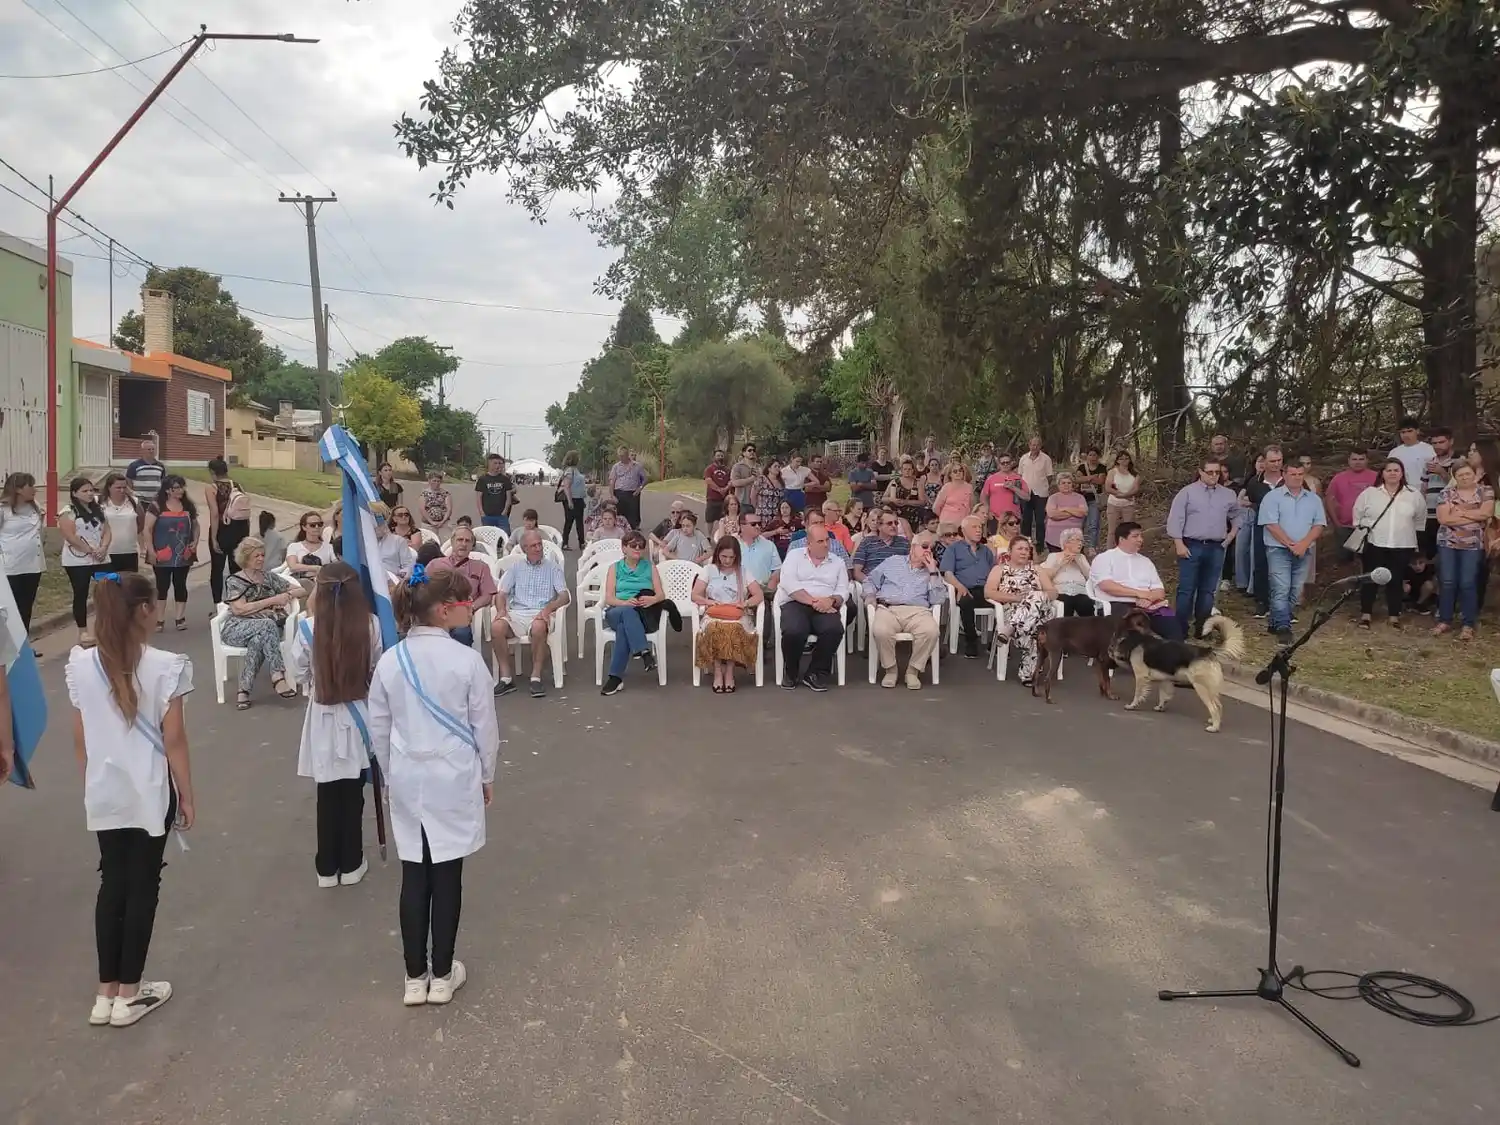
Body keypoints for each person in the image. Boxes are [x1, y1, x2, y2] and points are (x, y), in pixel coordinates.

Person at [67, 571, 194, 1028]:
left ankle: (106, 993)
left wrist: (91, 785)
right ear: (143, 610)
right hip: (150, 788)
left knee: (113, 883)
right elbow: (173, 740)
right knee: (143, 886)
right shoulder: (166, 665)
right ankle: (131, 993)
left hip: (104, 789)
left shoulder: (81, 664)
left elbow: (81, 739)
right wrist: (187, 795)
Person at [370, 566, 498, 1007]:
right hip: (453, 776)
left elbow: (379, 727)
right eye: (464, 602)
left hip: (408, 775)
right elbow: (485, 727)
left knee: (414, 872)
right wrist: (487, 775)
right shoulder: (467, 660)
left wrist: (390, 776)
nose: (469, 608)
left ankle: (413, 977)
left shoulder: (390, 660)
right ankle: (442, 974)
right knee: (447, 874)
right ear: (444, 610)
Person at [289, 561, 383, 888]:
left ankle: (327, 867)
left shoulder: (307, 628)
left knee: (327, 792)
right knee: (352, 790)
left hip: (323, 714)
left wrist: (319, 680)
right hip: (358, 713)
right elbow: (377, 667)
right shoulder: (371, 625)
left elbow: (298, 672)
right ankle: (352, 862)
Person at [221, 538, 303, 709]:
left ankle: (243, 691)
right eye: (256, 556)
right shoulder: (235, 581)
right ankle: (277, 675)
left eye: (262, 555)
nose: (260, 559)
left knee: (259, 639)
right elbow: (239, 609)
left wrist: (286, 596)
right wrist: (272, 600)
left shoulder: (268, 577)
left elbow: (301, 589)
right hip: (237, 628)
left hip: (264, 629)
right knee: (267, 625)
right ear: (245, 557)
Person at [493, 529, 570, 697]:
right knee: (497, 627)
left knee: (538, 627)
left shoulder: (553, 567)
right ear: (524, 549)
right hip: (517, 612)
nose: (538, 548)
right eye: (533, 546)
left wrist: (549, 608)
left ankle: (535, 677)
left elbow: (564, 596)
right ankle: (506, 678)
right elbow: (501, 594)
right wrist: (501, 610)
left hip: (541, 612)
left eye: (539, 544)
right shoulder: (516, 567)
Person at [1166, 458, 1238, 637]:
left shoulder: (1228, 494)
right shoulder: (1187, 493)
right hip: (1192, 545)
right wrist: (1178, 543)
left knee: (1208, 590)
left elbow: (1237, 515)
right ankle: (1180, 629)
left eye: (1217, 472)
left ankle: (1202, 628)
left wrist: (1231, 535)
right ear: (1200, 472)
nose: (1214, 476)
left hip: (1216, 547)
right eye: (1210, 472)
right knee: (1186, 589)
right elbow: (1176, 518)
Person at [1350, 458, 1425, 629]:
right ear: (1382, 473)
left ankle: (1394, 616)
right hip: (1375, 543)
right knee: (1370, 579)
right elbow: (1357, 516)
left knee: (1396, 580)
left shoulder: (1413, 494)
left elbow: (1420, 520)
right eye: (1389, 470)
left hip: (1402, 545)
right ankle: (1366, 614)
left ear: (1402, 473)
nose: (1392, 473)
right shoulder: (1370, 493)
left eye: (1396, 470)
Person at [865, 533, 947, 688]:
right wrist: (870, 595)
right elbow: (870, 580)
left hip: (918, 611)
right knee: (881, 630)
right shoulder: (893, 561)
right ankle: (891, 670)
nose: (928, 551)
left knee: (931, 631)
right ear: (913, 547)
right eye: (925, 546)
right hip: (889, 608)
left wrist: (932, 572)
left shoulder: (932, 571)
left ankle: (913, 671)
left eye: (932, 548)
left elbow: (937, 600)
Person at [1259, 461, 1325, 643]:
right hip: (1278, 549)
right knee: (1281, 588)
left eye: (1300, 474)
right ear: (1284, 475)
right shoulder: (1272, 497)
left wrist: (1303, 544)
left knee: (1295, 589)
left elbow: (1319, 525)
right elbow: (1271, 525)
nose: (1297, 477)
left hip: (1304, 550)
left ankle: (1276, 621)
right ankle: (1283, 626)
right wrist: (1291, 544)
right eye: (1293, 474)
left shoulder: (1313, 499)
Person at [775, 526, 848, 691]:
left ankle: (815, 672)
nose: (826, 545)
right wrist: (814, 602)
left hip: (826, 604)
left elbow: (843, 589)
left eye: (827, 540)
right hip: (796, 602)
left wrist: (831, 600)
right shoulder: (794, 556)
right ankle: (791, 671)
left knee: (834, 630)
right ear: (809, 543)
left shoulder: (838, 562)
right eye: (820, 541)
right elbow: (789, 584)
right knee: (794, 630)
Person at [692, 536, 764, 692]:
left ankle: (730, 672)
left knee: (733, 629)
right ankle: (718, 671)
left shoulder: (743, 571)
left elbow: (759, 595)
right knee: (715, 628)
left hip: (736, 615)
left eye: (731, 557)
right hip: (714, 613)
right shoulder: (708, 570)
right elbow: (695, 595)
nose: (727, 561)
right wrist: (708, 601)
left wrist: (745, 603)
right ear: (717, 554)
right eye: (724, 556)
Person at [600, 531, 668, 696]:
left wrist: (653, 599)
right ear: (624, 548)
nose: (638, 548)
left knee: (624, 627)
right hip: (616, 610)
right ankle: (644, 651)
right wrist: (624, 603)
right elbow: (609, 598)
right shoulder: (615, 568)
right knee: (627, 612)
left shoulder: (650, 567)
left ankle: (615, 678)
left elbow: (661, 595)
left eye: (641, 546)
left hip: (641, 614)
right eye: (633, 545)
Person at [983, 536, 1057, 685]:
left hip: (1041, 612)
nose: (1024, 552)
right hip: (1013, 611)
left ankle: (1010, 628)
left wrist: (1034, 598)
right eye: (1020, 549)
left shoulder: (1037, 569)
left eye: (1027, 549)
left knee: (1036, 596)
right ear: (1010, 551)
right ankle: (1028, 673)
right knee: (1035, 627)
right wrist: (1017, 598)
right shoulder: (999, 569)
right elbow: (988, 592)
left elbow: (1053, 592)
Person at [1433, 461, 1493, 640]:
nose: (1465, 477)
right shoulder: (1446, 493)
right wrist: (1474, 515)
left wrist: (1460, 512)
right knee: (1448, 581)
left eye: (1468, 474)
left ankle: (1468, 624)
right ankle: (1445, 620)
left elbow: (1486, 513)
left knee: (1468, 582)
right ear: (1454, 477)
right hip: (1447, 542)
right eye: (1460, 475)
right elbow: (1444, 519)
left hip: (1473, 544)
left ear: (1474, 474)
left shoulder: (1486, 491)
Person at [1092, 522, 1182, 639]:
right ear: (1122, 539)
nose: (1140, 540)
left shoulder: (1146, 562)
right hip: (1116, 604)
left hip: (1148, 605)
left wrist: (1149, 599)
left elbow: (1159, 591)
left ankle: (1175, 650)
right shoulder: (1104, 558)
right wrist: (1138, 594)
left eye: (1140, 536)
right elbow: (1106, 586)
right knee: (1136, 625)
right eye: (1135, 536)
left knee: (1172, 626)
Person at [425, 525, 497, 647]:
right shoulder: (435, 564)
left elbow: (487, 595)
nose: (463, 544)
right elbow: (422, 588)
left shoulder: (481, 567)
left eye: (467, 541)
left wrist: (471, 607)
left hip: (461, 614)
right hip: (437, 613)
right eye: (460, 540)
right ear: (452, 542)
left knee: (461, 633)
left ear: (472, 545)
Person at [143, 476, 197, 632]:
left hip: (183, 552)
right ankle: (159, 619)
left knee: (180, 584)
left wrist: (195, 541)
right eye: (176, 488)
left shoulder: (187, 506)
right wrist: (151, 550)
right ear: (167, 490)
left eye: (181, 487)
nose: (180, 491)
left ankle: (180, 617)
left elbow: (195, 525)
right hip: (161, 552)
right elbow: (147, 529)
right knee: (162, 585)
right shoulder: (156, 506)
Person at [60, 477, 110, 642]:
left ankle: (104, 628)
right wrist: (89, 550)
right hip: (78, 560)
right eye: (85, 491)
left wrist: (103, 548)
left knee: (107, 590)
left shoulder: (98, 509)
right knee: (81, 593)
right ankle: (83, 632)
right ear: (75, 493)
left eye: (91, 490)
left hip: (100, 559)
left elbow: (107, 531)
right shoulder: (68, 511)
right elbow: (70, 536)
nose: (89, 493)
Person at [941, 514, 997, 658]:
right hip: (963, 588)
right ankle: (971, 641)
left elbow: (994, 572)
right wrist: (959, 586)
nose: (979, 530)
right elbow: (947, 573)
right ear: (964, 530)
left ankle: (996, 643)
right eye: (974, 527)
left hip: (985, 589)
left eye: (980, 527)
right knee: (966, 601)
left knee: (1003, 602)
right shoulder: (953, 549)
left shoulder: (986, 551)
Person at [0, 471, 44, 631]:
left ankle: (24, 642)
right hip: (10, 566)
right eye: (30, 486)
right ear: (18, 489)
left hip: (33, 565)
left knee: (25, 608)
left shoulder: (35, 506)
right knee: (10, 609)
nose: (34, 489)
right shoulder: (3, 510)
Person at [205, 458, 252, 608]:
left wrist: (213, 538)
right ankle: (236, 602)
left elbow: (214, 514)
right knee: (236, 569)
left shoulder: (212, 488)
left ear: (212, 472)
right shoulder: (237, 486)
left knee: (217, 569)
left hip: (222, 529)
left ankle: (218, 605)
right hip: (240, 529)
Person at [1387, 417, 1438, 550]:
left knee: (1424, 528)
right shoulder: (1395, 453)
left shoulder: (1429, 450)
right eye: (1403, 432)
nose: (1406, 435)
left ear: (1417, 431)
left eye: (1410, 431)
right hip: (1401, 496)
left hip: (1425, 495)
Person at [1324, 450, 1377, 565]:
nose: (1357, 462)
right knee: (1344, 562)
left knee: (1370, 561)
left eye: (1361, 459)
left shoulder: (1377, 477)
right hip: (1345, 527)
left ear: (1367, 460)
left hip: (1370, 527)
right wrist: (1336, 523)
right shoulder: (1338, 478)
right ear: (1348, 460)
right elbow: (1329, 500)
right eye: (1354, 459)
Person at [1039, 528, 1094, 617]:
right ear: (1066, 542)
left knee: (1086, 604)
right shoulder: (1053, 556)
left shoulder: (1081, 557)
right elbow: (1045, 576)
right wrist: (1060, 564)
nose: (1080, 543)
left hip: (1080, 592)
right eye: (1077, 540)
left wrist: (1079, 562)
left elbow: (1090, 577)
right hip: (1061, 591)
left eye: (1081, 541)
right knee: (1065, 605)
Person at [100, 473, 146, 572]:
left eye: (124, 487)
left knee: (129, 581)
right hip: (106, 552)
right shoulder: (99, 502)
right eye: (118, 488)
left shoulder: (134, 502)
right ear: (109, 487)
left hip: (129, 551)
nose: (122, 490)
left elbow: (141, 524)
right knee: (107, 581)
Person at [852, 510, 910, 583]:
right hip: (871, 584)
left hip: (897, 585)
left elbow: (911, 569)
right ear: (879, 526)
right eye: (889, 523)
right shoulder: (867, 542)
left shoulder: (904, 543)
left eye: (896, 523)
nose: (894, 526)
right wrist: (871, 584)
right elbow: (857, 572)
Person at [979, 452, 1029, 534]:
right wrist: (988, 512)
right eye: (1003, 463)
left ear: (1011, 463)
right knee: (996, 541)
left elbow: (1027, 497)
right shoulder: (991, 479)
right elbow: (983, 497)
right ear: (999, 464)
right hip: (995, 518)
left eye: (1007, 462)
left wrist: (1013, 488)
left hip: (1013, 519)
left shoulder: (1018, 478)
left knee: (1013, 541)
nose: (1005, 465)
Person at [1018, 436, 1054, 546]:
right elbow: (1020, 475)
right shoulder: (1024, 458)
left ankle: (1040, 545)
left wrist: (1041, 485)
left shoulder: (1046, 459)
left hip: (1041, 494)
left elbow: (1049, 476)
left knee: (1040, 521)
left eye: (1037, 445)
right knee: (1026, 520)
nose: (1035, 447)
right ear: (1029, 445)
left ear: (1040, 446)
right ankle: (1026, 543)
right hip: (1026, 493)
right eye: (1033, 445)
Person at [737, 509, 782, 596]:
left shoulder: (769, 545)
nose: (758, 526)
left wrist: (770, 588)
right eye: (753, 524)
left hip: (763, 590)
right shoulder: (732, 544)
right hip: (737, 591)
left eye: (759, 524)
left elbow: (777, 570)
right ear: (742, 526)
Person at [370, 503, 418, 581]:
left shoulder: (398, 541)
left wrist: (401, 575)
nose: (376, 525)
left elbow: (408, 566)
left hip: (393, 580)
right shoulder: (362, 543)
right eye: (373, 519)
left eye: (379, 519)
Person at [1044, 472, 1088, 552]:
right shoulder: (1053, 498)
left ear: (1072, 484)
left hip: (1075, 538)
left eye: (1069, 483)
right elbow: (1052, 514)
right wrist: (1073, 512)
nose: (1066, 485)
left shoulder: (1080, 498)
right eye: (1063, 483)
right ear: (1058, 485)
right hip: (1054, 537)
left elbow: (1082, 513)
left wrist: (1064, 508)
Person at [1104, 450, 1140, 548]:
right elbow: (1108, 487)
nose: (1124, 461)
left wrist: (1125, 496)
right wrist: (1118, 494)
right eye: (1121, 459)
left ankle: (1128, 549)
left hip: (1128, 505)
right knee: (1112, 530)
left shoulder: (1134, 474)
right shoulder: (1112, 472)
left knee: (1128, 529)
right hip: (1113, 504)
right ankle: (1110, 551)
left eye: (1126, 458)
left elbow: (1135, 489)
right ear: (1117, 460)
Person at [1073, 447, 1106, 551]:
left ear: (1098, 456)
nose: (1092, 457)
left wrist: (1085, 479)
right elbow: (1077, 479)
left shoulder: (1102, 468)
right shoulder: (1082, 467)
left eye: (1094, 455)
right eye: (1090, 455)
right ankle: (1079, 547)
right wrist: (1092, 477)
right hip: (1081, 499)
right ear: (1087, 456)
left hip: (1095, 499)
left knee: (1093, 524)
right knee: (1080, 524)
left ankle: (1092, 547)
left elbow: (1101, 481)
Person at [608, 446, 647, 529]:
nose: (621, 458)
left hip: (632, 493)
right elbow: (612, 481)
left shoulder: (637, 466)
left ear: (627, 455)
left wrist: (639, 488)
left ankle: (633, 529)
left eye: (622, 456)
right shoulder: (616, 467)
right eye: (619, 456)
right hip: (619, 493)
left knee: (633, 516)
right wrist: (612, 495)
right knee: (620, 517)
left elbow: (644, 479)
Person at [285, 511, 334, 576]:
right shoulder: (294, 546)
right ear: (304, 527)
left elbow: (336, 567)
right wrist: (316, 568)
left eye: (320, 524)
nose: (317, 527)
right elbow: (293, 567)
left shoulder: (330, 547)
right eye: (312, 525)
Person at [474, 453, 515, 533]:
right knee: (489, 536)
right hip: (487, 515)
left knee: (505, 535)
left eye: (499, 463)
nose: (497, 465)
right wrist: (482, 513)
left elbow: (508, 497)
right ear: (489, 464)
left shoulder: (505, 479)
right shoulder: (482, 480)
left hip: (501, 515)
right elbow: (479, 497)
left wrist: (505, 511)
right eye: (495, 463)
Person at [124, 438, 166, 508]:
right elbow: (128, 481)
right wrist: (133, 494)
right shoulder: (134, 465)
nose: (151, 451)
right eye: (149, 449)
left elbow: (162, 481)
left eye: (153, 449)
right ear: (142, 451)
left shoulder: (160, 466)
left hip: (156, 501)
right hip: (140, 501)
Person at [883, 457, 925, 524]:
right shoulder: (894, 482)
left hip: (912, 512)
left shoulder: (918, 484)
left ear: (913, 470)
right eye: (905, 469)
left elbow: (922, 502)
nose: (907, 471)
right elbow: (883, 498)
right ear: (901, 470)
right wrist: (893, 499)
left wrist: (906, 502)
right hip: (895, 511)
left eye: (909, 469)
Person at [703, 448, 731, 527]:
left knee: (723, 519)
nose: (720, 457)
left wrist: (726, 489)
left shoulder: (727, 470)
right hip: (712, 498)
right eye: (718, 456)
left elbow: (731, 481)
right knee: (709, 519)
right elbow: (708, 480)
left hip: (724, 499)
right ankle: (709, 534)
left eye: (721, 456)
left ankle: (721, 533)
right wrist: (719, 490)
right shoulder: (709, 468)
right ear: (714, 457)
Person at [420, 471, 454, 539]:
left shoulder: (446, 493)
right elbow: (422, 509)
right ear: (429, 481)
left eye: (438, 481)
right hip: (428, 524)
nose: (436, 483)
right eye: (434, 481)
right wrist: (431, 522)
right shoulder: (424, 494)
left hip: (444, 524)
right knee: (430, 542)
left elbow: (449, 509)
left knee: (445, 541)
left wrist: (442, 522)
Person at [728, 443, 759, 510]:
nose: (752, 452)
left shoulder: (759, 467)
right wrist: (751, 479)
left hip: (757, 503)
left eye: (754, 450)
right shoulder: (737, 466)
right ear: (744, 453)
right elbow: (734, 483)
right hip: (742, 502)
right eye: (749, 450)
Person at [919, 457, 946, 521]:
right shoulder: (924, 477)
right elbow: (922, 493)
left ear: (939, 466)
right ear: (929, 467)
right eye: (932, 465)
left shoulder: (942, 478)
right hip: (927, 505)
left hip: (940, 506)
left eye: (936, 465)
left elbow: (945, 492)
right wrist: (930, 502)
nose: (934, 467)